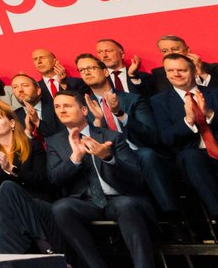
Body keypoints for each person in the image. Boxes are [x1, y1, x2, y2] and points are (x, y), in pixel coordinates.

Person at [46, 92, 171, 268]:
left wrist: (108, 158)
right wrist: (75, 158)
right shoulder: (55, 142)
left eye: (67, 105)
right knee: (60, 208)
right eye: (57, 107)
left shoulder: (112, 136)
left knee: (127, 205)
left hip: (118, 197)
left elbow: (136, 177)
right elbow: (54, 179)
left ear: (83, 110)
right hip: (85, 202)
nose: (61, 110)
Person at [75, 53, 179, 219]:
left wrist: (119, 113)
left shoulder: (132, 100)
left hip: (137, 152)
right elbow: (87, 140)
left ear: (106, 72)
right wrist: (97, 120)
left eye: (91, 68)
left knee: (147, 155)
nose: (86, 72)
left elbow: (150, 135)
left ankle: (172, 217)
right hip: (108, 156)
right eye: (82, 70)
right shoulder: (83, 107)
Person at [0, 104, 59, 256]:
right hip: (8, 210)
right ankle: (38, 245)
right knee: (5, 192)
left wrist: (12, 170)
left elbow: (43, 181)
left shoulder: (32, 145)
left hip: (37, 203)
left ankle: (11, 258)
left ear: (12, 123)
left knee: (8, 187)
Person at [150, 53, 218, 221]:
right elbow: (166, 138)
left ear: (194, 71)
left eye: (181, 70)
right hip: (193, 158)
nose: (176, 74)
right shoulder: (159, 101)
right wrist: (188, 120)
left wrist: (208, 113)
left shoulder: (214, 94)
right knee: (192, 157)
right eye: (171, 71)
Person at [9, 73, 64, 145]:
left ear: (38, 91)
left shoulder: (56, 108)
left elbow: (62, 138)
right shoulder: (14, 116)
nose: (20, 90)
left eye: (25, 85)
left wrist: (37, 122)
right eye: (15, 87)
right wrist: (28, 132)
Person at [148, 36, 215, 94]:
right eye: (165, 51)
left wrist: (202, 74)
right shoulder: (159, 73)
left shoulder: (213, 68)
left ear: (187, 50)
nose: (170, 53)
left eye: (175, 49)